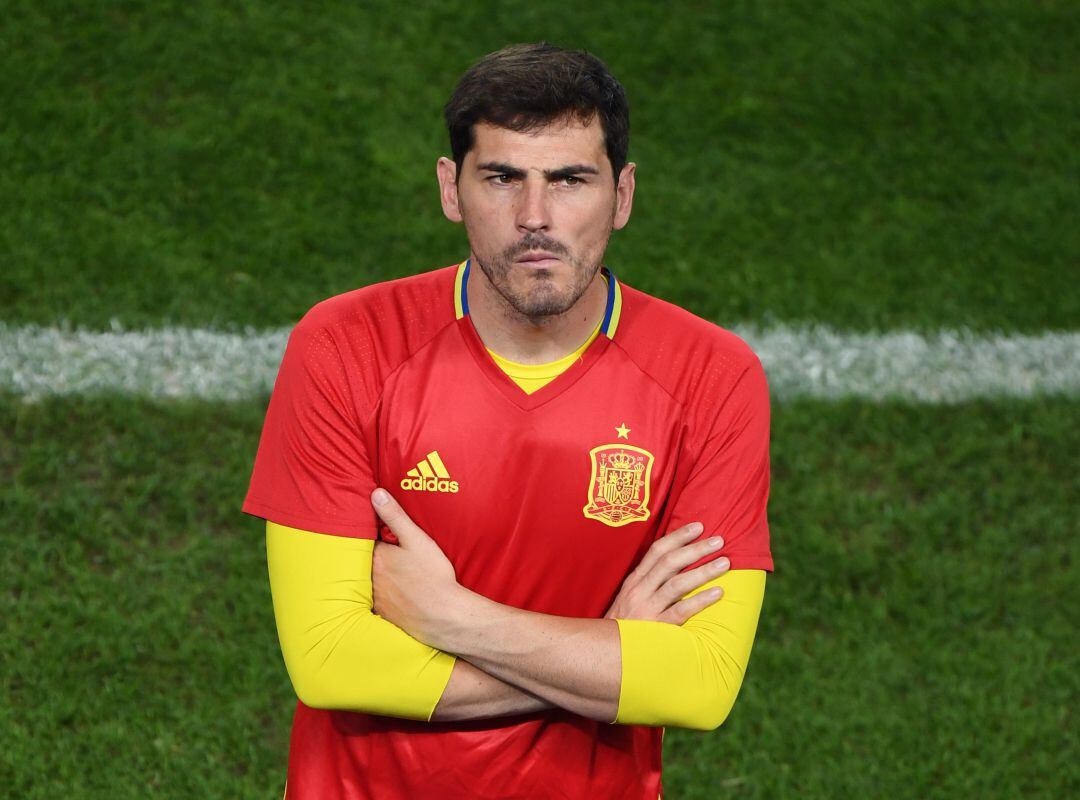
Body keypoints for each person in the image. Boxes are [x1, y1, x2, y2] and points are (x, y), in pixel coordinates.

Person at [243, 42, 772, 800]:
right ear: (450, 189)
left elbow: (700, 686)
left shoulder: (711, 378)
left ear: (622, 195)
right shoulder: (344, 347)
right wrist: (610, 654)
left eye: (569, 180)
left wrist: (452, 617)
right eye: (501, 177)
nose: (534, 217)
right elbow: (329, 661)